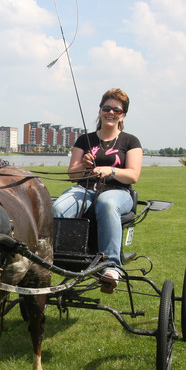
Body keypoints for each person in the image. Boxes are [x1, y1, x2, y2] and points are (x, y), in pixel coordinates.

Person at [53, 88, 143, 293]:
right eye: (107, 108)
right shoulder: (84, 140)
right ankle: (63, 257)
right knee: (58, 208)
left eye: (116, 110)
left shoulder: (130, 141)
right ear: (100, 110)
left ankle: (111, 267)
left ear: (123, 115)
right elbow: (72, 174)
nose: (111, 112)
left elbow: (133, 175)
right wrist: (83, 165)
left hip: (118, 192)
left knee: (107, 203)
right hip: (85, 189)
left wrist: (111, 170)